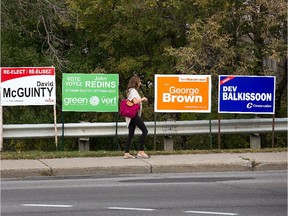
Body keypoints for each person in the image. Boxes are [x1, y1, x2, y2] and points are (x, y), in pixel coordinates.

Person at [124, 75, 150, 159]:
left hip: (130, 116)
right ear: (136, 82)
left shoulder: (130, 91)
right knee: (145, 131)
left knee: (131, 134)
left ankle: (126, 153)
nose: (140, 83)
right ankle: (141, 151)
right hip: (134, 115)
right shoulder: (133, 91)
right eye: (139, 82)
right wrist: (143, 99)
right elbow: (135, 102)